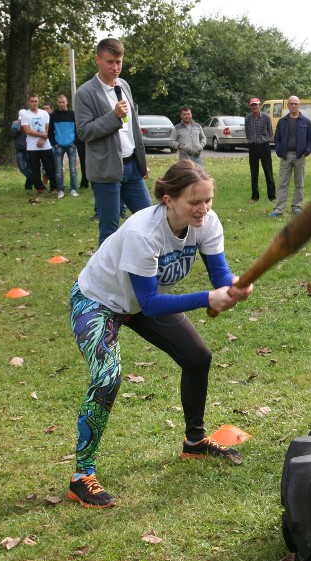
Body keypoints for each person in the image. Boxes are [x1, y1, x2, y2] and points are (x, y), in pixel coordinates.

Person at [66, 160, 254, 508]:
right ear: (168, 199)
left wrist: (234, 287)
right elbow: (151, 303)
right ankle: (81, 476)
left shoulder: (206, 223)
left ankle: (195, 443)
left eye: (208, 200)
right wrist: (207, 299)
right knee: (107, 378)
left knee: (197, 357)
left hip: (137, 303)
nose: (203, 208)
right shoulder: (143, 232)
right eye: (194, 202)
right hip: (98, 301)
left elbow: (220, 275)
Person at [75, 37, 152, 245]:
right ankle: (103, 276)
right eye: (110, 62)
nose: (115, 67)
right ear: (97, 60)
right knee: (109, 228)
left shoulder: (124, 85)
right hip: (106, 170)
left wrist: (141, 162)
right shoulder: (85, 93)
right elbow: (83, 132)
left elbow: (133, 128)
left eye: (119, 61)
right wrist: (113, 116)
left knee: (150, 218)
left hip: (132, 168)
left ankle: (143, 265)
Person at [270, 96, 311, 217]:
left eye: (296, 104)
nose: (294, 106)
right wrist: (279, 151)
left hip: (300, 156)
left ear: (299, 105)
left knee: (299, 184)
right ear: (288, 105)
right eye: (291, 104)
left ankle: (297, 208)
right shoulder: (282, 121)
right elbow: (277, 138)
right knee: (282, 184)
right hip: (285, 156)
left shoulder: (306, 122)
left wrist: (306, 152)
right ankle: (279, 210)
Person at [20, 94, 57, 196]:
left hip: (45, 145)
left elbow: (47, 128)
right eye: (32, 101)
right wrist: (42, 135)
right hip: (32, 147)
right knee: (35, 169)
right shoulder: (25, 114)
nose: (34, 103)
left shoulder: (44, 113)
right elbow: (27, 130)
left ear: (38, 102)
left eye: (36, 101)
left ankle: (54, 187)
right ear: (29, 102)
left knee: (50, 167)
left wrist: (43, 138)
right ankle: (39, 187)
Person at [245, 97, 276, 202]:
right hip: (253, 147)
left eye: (256, 105)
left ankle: (272, 196)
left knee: (268, 172)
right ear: (250, 106)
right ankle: (254, 196)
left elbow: (270, 133)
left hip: (264, 146)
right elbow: (247, 132)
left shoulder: (266, 117)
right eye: (252, 105)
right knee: (254, 173)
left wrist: (265, 140)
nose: (254, 107)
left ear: (260, 105)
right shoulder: (248, 118)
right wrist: (251, 141)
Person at [49, 94, 80, 198]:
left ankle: (73, 189)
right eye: (60, 102)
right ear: (57, 103)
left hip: (71, 145)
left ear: (67, 102)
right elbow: (50, 132)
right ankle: (60, 190)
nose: (62, 104)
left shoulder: (73, 114)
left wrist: (75, 142)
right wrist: (54, 144)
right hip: (59, 146)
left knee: (73, 169)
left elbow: (78, 129)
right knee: (58, 170)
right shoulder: (53, 115)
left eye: (63, 102)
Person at [9, 117, 34, 190]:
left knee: (30, 168)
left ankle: (28, 187)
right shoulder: (15, 123)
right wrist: (18, 130)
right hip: (20, 149)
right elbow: (12, 136)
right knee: (22, 167)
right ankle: (35, 180)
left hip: (30, 148)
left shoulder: (31, 122)